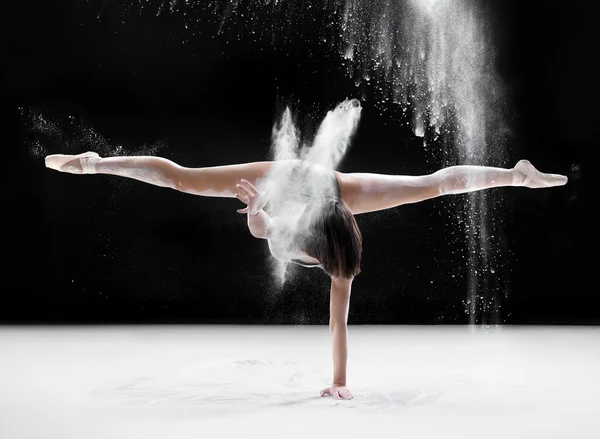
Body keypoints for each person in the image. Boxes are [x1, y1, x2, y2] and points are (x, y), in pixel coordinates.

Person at [45, 147, 568, 400]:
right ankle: (93, 163)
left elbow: (339, 326)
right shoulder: (296, 236)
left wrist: (339, 383)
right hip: (294, 180)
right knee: (183, 181)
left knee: (430, 185)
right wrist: (255, 211)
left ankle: (515, 177)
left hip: (327, 184)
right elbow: (263, 230)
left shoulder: (341, 250)